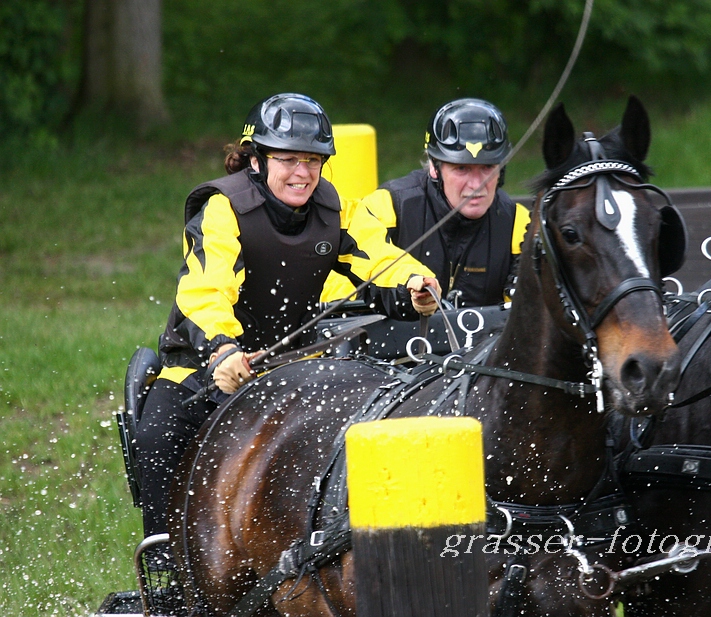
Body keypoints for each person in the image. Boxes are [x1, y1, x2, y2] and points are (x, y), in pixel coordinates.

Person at [135, 93, 440, 545]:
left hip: (292, 370)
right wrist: (222, 348)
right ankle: (163, 568)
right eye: (289, 160)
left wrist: (416, 283)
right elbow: (206, 290)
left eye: (314, 161)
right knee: (157, 436)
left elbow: (379, 255)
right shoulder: (221, 208)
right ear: (256, 160)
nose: (303, 173)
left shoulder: (335, 209)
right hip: (201, 365)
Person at [322, 98, 530, 307]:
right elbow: (338, 287)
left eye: (487, 168)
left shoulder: (518, 223)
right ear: (434, 167)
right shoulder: (390, 206)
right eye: (462, 169)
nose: (477, 184)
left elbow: (528, 318)